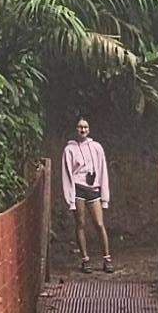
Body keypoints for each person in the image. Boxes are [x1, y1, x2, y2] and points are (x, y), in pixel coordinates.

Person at [61, 114, 112, 271]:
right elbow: (66, 174)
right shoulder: (69, 150)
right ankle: (85, 259)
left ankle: (107, 258)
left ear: (89, 129)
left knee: (99, 223)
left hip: (93, 189)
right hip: (78, 189)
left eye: (85, 127)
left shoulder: (96, 147)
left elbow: (103, 170)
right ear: (76, 129)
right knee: (80, 223)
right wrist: (69, 198)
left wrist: (104, 197)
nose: (83, 129)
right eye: (80, 127)